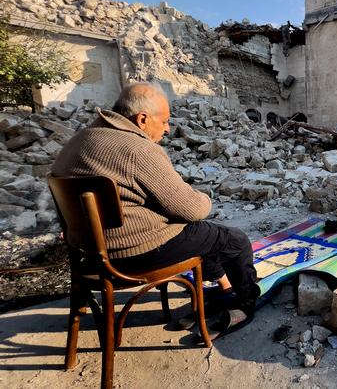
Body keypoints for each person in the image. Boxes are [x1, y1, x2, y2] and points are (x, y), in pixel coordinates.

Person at [51, 82, 259, 335]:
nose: (168, 128)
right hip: (135, 254)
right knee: (233, 239)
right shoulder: (137, 149)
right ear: (142, 119)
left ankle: (225, 289)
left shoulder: (79, 140)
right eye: (164, 121)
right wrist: (203, 197)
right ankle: (246, 305)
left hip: (90, 255)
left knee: (204, 235)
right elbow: (193, 209)